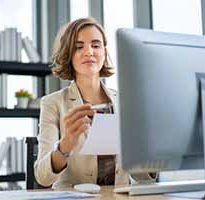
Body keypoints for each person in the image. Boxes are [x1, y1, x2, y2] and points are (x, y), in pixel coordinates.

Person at [34, 17, 155, 189]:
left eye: (96, 45)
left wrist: (148, 147)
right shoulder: (52, 103)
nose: (89, 51)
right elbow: (43, 177)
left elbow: (144, 177)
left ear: (104, 52)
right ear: (69, 54)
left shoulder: (125, 102)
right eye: (79, 47)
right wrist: (65, 145)